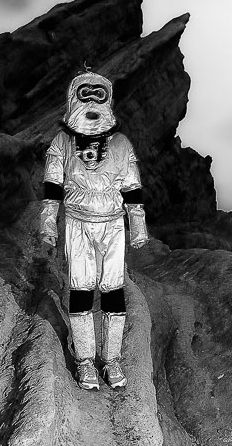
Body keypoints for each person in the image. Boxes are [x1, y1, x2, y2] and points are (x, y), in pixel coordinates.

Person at [39, 67, 149, 390]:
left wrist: (137, 224)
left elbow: (131, 186)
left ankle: (111, 359)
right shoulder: (62, 143)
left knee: (113, 291)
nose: (90, 102)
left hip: (112, 225)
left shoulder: (121, 145)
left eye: (97, 95)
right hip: (78, 224)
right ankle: (85, 361)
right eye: (84, 94)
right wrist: (48, 220)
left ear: (107, 100)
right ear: (73, 99)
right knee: (82, 289)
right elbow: (52, 185)